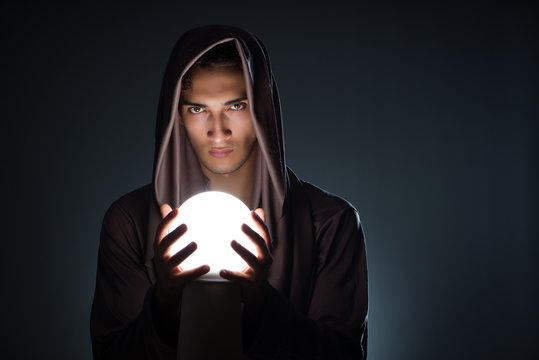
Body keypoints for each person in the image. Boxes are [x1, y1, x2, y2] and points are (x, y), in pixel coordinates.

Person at [90, 25, 368, 359]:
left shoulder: (329, 223)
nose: (217, 130)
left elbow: (344, 356)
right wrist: (164, 302)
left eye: (235, 107)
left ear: (261, 110)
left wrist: (262, 301)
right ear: (177, 116)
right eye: (198, 109)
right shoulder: (130, 222)